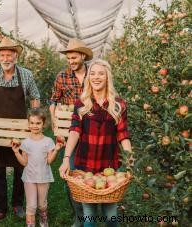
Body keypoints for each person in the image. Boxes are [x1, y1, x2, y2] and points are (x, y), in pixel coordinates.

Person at [59, 59, 134, 227]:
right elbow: (74, 131)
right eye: (92, 73)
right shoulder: (82, 103)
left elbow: (123, 133)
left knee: (111, 215)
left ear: (108, 77)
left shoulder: (118, 104)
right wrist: (66, 158)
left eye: (101, 73)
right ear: (88, 78)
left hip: (109, 166)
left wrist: (129, 159)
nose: (96, 77)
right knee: (90, 215)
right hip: (86, 165)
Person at [0, 37, 41, 224]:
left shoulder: (26, 75)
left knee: (21, 167)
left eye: (9, 55)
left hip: (20, 129)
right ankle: (0, 208)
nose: (6, 58)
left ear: (16, 56)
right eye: (2, 55)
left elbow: (35, 97)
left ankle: (18, 204)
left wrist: (34, 116)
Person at [49, 38, 93, 227]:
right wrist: (54, 122)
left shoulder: (95, 73)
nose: (71, 61)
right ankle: (79, 215)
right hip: (70, 131)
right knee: (72, 173)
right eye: (69, 58)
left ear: (83, 55)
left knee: (91, 173)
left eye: (74, 57)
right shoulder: (62, 76)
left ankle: (92, 212)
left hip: (93, 132)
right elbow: (53, 101)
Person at [12, 108, 63, 227]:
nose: (35, 126)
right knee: (31, 205)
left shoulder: (48, 141)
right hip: (29, 177)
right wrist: (16, 152)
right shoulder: (25, 142)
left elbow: (50, 161)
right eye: (32, 123)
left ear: (43, 124)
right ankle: (30, 224)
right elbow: (24, 162)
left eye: (38, 123)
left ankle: (43, 219)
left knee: (42, 204)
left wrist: (56, 150)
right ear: (28, 123)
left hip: (43, 177)